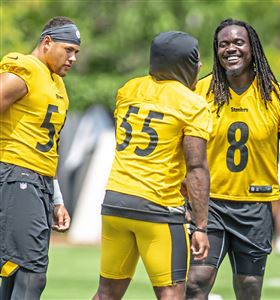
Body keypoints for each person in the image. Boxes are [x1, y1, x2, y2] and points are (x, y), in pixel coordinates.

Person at [92, 31, 211, 300]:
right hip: (158, 208)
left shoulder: (128, 89)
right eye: (197, 60)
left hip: (116, 201)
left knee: (106, 293)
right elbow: (196, 167)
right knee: (171, 293)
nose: (201, 66)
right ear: (184, 64)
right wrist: (201, 226)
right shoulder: (192, 103)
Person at [186, 18, 280, 300]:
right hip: (209, 204)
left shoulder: (278, 96)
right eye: (223, 44)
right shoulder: (200, 92)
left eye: (238, 42)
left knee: (249, 287)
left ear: (253, 48)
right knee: (196, 282)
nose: (231, 49)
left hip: (255, 206)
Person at [0, 16, 81, 299]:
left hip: (39, 181)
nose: (72, 58)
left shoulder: (58, 83)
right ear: (47, 43)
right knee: (33, 273)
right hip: (16, 174)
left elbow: (49, 149)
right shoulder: (24, 69)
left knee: (16, 271)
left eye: (76, 53)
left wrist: (57, 198)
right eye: (67, 49)